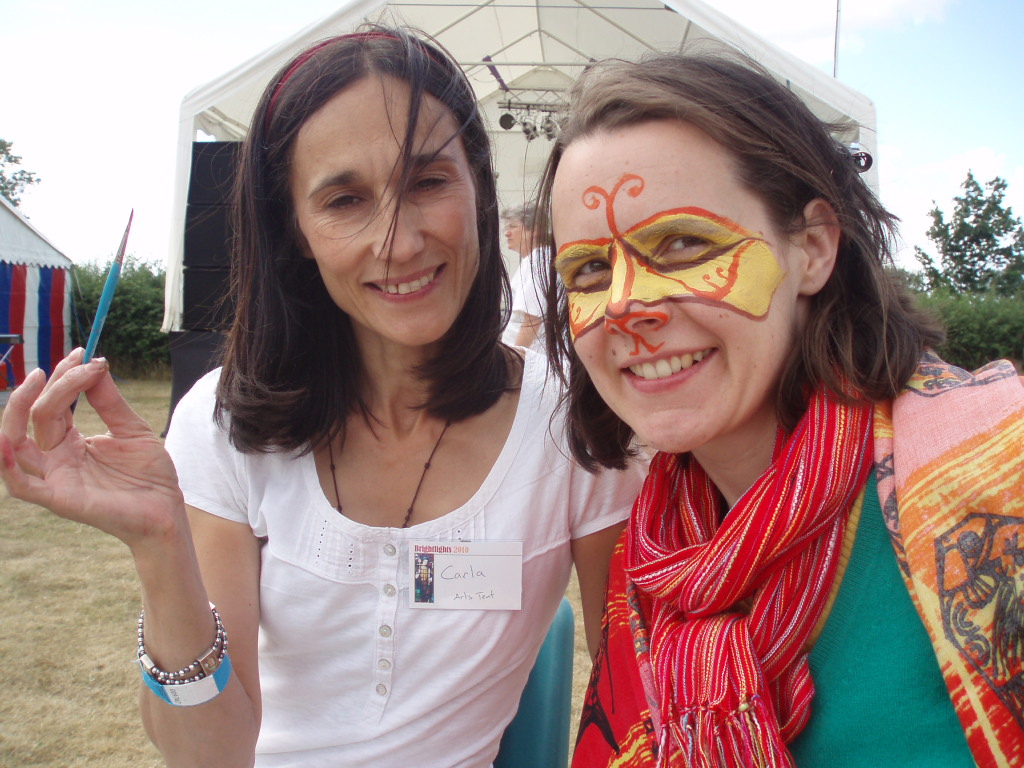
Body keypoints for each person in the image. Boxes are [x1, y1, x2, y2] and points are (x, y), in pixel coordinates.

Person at [0, 28, 643, 767]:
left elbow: (636, 702)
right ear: (297, 231)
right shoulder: (224, 424)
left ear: (479, 186)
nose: (399, 242)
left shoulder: (572, 423)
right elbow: (209, 756)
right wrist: (160, 544)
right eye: (345, 200)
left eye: (428, 182)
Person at [534, 51, 1024, 767]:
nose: (625, 307)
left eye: (682, 244)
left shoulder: (1004, 473)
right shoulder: (651, 563)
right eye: (590, 270)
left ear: (814, 248)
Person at [500, 203, 546, 350]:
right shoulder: (535, 259)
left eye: (513, 226)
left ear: (534, 229)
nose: (507, 233)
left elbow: (532, 320)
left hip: (528, 357)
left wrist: (514, 358)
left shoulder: (538, 260)